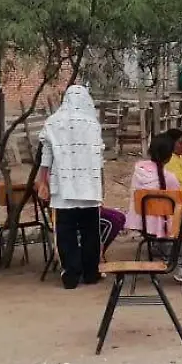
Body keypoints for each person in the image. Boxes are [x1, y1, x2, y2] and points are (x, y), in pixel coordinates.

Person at [36, 84, 112, 290]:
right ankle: (90, 273)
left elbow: (46, 159)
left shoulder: (52, 123)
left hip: (63, 191)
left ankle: (70, 275)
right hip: (89, 189)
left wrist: (42, 182)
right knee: (90, 233)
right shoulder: (93, 125)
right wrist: (100, 188)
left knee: (65, 233)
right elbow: (100, 160)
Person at [124, 135, 182, 284]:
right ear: (168, 156)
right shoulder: (169, 178)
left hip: (144, 225)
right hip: (169, 226)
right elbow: (181, 210)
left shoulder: (138, 171)